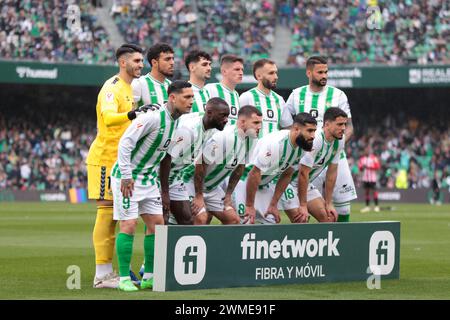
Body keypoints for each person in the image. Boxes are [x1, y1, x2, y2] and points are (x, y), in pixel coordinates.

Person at [110, 80, 194, 292]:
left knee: (157, 224)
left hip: (148, 179)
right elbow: (125, 142)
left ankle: (148, 276)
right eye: (187, 97)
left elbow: (163, 155)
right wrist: (127, 176)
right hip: (127, 178)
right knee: (128, 225)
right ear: (172, 98)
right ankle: (123, 279)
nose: (190, 101)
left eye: (192, 97)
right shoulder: (152, 117)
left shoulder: (177, 121)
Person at [86, 44, 149, 289]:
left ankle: (108, 272)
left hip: (121, 161)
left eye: (142, 61)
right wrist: (134, 115)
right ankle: (102, 275)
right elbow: (109, 119)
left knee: (116, 214)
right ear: (123, 63)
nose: (140, 65)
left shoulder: (129, 88)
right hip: (105, 158)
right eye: (136, 60)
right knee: (106, 213)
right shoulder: (112, 87)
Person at [281, 55, 356, 222]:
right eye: (320, 72)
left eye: (326, 72)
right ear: (309, 72)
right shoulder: (296, 94)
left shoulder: (338, 95)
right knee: (308, 203)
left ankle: (340, 240)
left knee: (343, 204)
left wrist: (338, 144)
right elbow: (287, 125)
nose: (324, 76)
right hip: (307, 155)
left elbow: (349, 126)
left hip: (334, 152)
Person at [160, 97, 230, 225]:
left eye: (227, 116)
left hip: (176, 177)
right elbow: (165, 159)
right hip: (160, 176)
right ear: (209, 113)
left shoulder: (212, 128)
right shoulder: (189, 131)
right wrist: (165, 192)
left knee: (187, 221)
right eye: (222, 116)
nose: (226, 120)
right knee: (159, 221)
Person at [238, 113, 317, 224]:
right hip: (244, 182)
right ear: (296, 129)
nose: (313, 135)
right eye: (309, 131)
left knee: (271, 223)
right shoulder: (276, 144)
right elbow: (253, 174)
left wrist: (274, 204)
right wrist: (250, 205)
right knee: (244, 224)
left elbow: (287, 174)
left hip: (263, 185)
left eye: (314, 131)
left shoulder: (302, 147)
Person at [191, 106, 263, 224]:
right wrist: (198, 195)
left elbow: (240, 168)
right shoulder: (224, 137)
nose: (259, 127)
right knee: (201, 218)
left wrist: (228, 194)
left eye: (260, 123)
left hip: (212, 188)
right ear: (242, 122)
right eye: (255, 123)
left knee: (233, 220)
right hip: (192, 184)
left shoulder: (252, 139)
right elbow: (200, 164)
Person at [297, 107, 348, 223]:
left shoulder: (340, 141)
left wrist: (329, 203)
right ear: (327, 124)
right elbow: (303, 173)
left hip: (305, 184)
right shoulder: (316, 139)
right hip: (289, 182)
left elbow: (331, 173)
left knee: (329, 218)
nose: (343, 128)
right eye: (339, 124)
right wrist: (303, 204)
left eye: (345, 124)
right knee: (301, 219)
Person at [205, 54, 244, 126]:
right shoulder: (210, 89)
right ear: (224, 71)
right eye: (237, 69)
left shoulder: (236, 95)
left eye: (242, 70)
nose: (241, 73)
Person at [132, 43, 174, 107]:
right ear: (154, 62)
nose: (172, 62)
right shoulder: (139, 84)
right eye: (167, 59)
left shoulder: (171, 85)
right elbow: (129, 113)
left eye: (172, 59)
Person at [185, 50, 213, 114]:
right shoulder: (183, 92)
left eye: (209, 64)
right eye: (204, 64)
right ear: (192, 67)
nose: (209, 68)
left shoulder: (209, 93)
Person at [358, 147, 381, 212]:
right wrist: (362, 167)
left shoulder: (374, 158)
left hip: (372, 178)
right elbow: (360, 168)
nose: (367, 152)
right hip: (365, 178)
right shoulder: (362, 159)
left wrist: (368, 167)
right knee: (367, 192)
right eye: (365, 151)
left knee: (374, 192)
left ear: (370, 151)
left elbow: (377, 166)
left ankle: (376, 206)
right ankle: (367, 207)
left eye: (368, 150)